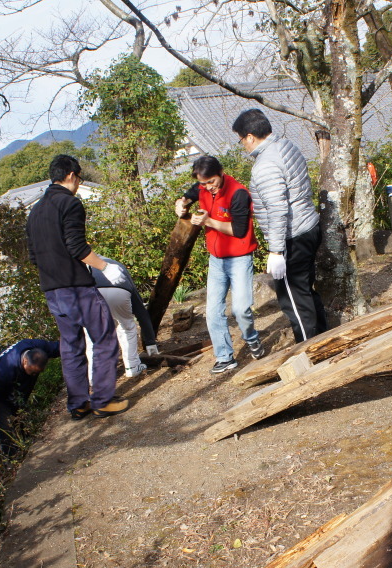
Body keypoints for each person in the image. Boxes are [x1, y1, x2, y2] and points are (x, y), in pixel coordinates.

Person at [25, 154, 128, 419]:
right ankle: (103, 400)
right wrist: (105, 267)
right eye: (79, 178)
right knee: (104, 339)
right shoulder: (69, 203)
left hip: (52, 292)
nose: (79, 183)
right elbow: (77, 247)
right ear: (71, 175)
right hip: (77, 289)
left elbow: (33, 256)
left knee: (70, 346)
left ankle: (79, 403)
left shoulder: (35, 211)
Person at [232, 109, 327, 343]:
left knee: (292, 299)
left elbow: (277, 210)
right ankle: (325, 341)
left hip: (292, 236)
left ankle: (310, 352)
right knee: (304, 291)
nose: (243, 145)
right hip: (309, 226)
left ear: (251, 137)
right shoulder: (286, 145)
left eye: (241, 139)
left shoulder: (265, 165)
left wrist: (275, 251)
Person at [174, 155, 267, 373]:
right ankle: (225, 357)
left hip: (239, 258)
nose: (207, 188)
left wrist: (208, 222)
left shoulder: (238, 194)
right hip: (216, 259)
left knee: (241, 309)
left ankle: (251, 338)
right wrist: (181, 205)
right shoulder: (202, 187)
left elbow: (239, 231)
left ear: (221, 173)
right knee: (213, 311)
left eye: (211, 182)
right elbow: (185, 198)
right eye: (203, 183)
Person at [0, 339, 60, 456]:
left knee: (20, 415)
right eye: (32, 372)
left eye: (37, 372)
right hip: (1, 395)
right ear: (25, 361)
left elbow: (61, 347)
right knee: (6, 426)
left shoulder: (40, 349)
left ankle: (25, 442)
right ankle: (11, 457)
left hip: (20, 388)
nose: (34, 375)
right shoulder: (3, 369)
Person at [88, 257, 157, 380]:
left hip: (92, 293)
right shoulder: (116, 264)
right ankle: (133, 367)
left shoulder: (86, 263)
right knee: (127, 327)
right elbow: (140, 310)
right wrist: (151, 342)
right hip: (120, 290)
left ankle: (94, 375)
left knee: (91, 335)